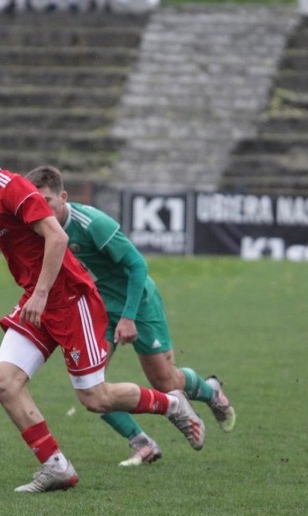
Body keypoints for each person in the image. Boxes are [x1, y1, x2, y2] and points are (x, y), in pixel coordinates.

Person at [0, 121, 205, 493]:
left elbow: (57, 237)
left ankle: (172, 405)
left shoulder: (15, 189)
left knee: (95, 398)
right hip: (37, 302)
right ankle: (56, 466)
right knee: (4, 384)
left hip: (70, 299)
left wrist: (42, 292)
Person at [26, 166, 236, 458]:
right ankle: (141, 442)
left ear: (63, 197)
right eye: (34, 202)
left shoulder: (91, 223)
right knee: (91, 390)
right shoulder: (40, 227)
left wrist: (128, 316)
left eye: (46, 201)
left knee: (166, 382)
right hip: (98, 308)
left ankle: (210, 390)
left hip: (138, 302)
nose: (40, 208)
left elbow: (137, 266)